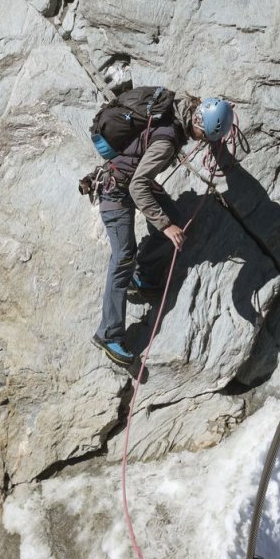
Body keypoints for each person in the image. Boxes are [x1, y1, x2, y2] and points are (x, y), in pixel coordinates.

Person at [92, 95, 234, 366]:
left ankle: (142, 277)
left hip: (130, 181)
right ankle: (108, 333)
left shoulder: (179, 111)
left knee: (174, 216)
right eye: (203, 137)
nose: (200, 142)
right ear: (198, 125)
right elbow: (138, 187)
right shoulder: (168, 141)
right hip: (116, 190)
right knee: (123, 256)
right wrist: (165, 226)